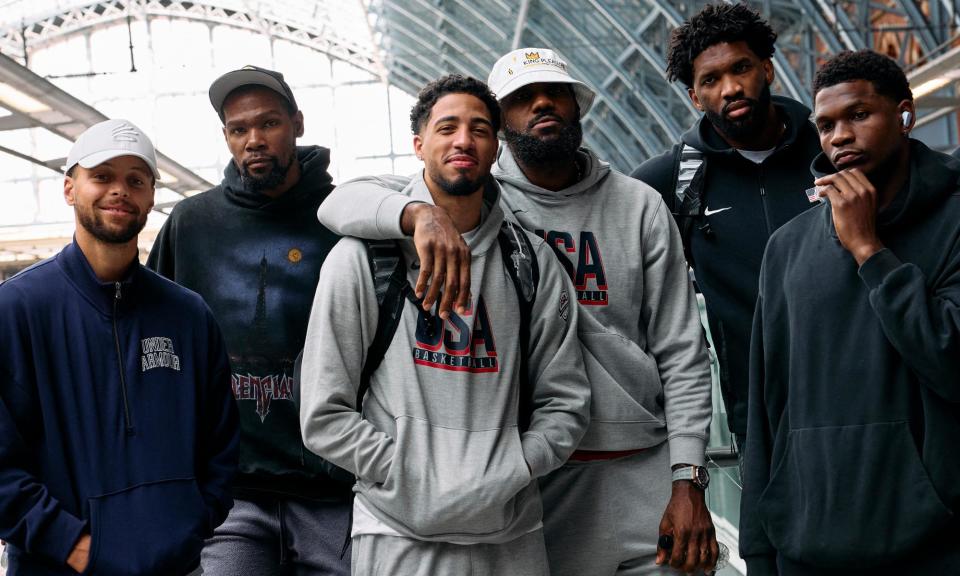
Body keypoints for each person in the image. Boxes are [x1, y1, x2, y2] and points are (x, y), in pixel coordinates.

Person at [318, 49, 716, 575]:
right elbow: (338, 202)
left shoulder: (639, 206)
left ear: (579, 105)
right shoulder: (478, 194)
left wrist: (688, 475)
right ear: (503, 125)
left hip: (638, 463)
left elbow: (682, 349)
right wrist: (418, 215)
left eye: (556, 92)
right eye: (522, 98)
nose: (543, 103)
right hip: (532, 483)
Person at [300, 74, 591, 576]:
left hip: (511, 535)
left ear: (496, 146)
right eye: (447, 127)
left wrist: (512, 468)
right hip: (398, 536)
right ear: (419, 145)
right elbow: (323, 414)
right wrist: (404, 471)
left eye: (480, 129)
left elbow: (565, 403)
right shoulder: (361, 261)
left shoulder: (533, 263)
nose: (464, 140)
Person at [740, 49, 960, 575]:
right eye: (826, 125)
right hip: (806, 540)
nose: (840, 136)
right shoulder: (787, 246)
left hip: (935, 543)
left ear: (905, 114)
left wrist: (869, 250)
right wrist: (758, 545)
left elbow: (951, 359)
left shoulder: (953, 222)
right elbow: (767, 404)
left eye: (859, 115)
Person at [0, 119, 239, 575]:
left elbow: (221, 441)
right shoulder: (17, 310)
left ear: (151, 196)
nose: (120, 190)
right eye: (102, 176)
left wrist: (191, 522)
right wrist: (75, 546)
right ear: (70, 189)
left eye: (135, 180)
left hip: (176, 566)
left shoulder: (187, 315)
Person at [147, 66, 351, 575]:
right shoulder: (192, 224)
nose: (254, 140)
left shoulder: (344, 216)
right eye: (239, 130)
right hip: (230, 494)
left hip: (333, 489)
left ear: (297, 124)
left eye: (269, 123)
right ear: (226, 137)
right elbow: (149, 335)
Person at [631, 3, 821, 457]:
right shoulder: (672, 180)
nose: (731, 88)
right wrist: (424, 204)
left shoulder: (829, 150)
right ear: (695, 98)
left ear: (768, 69)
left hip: (862, 392)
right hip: (757, 416)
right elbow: (581, 204)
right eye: (710, 80)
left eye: (742, 68)